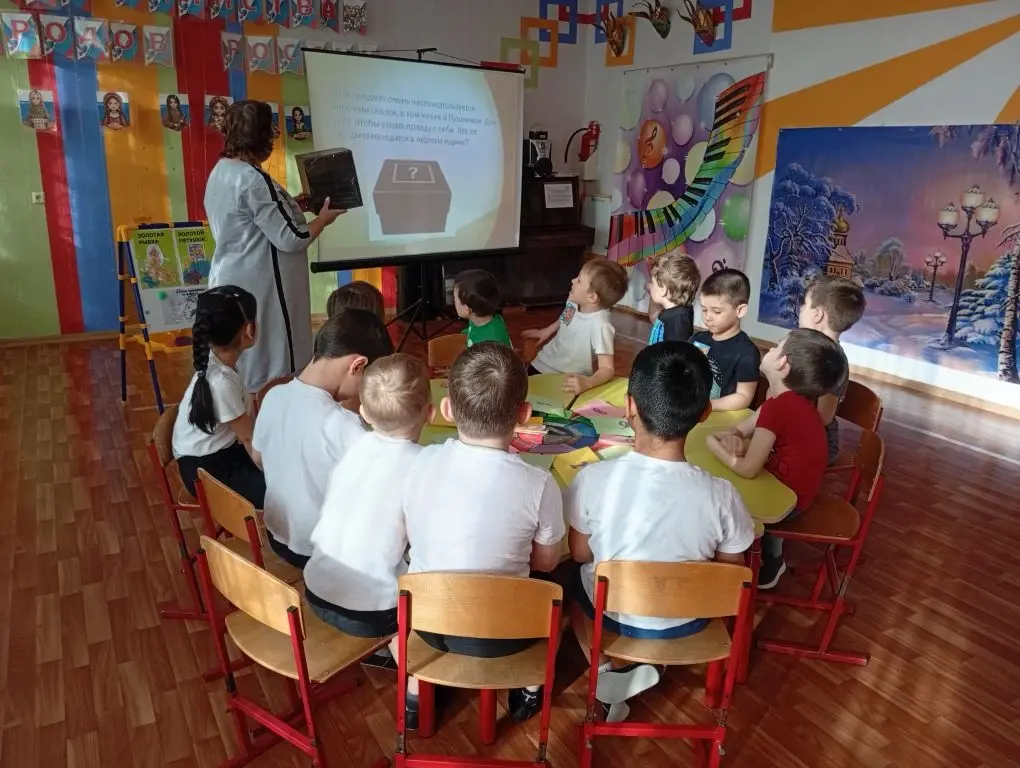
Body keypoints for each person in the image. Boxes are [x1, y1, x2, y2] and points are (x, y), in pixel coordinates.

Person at [567, 341, 754, 721]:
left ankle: (606, 670)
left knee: (572, 584)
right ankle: (647, 665)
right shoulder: (722, 494)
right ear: (704, 412)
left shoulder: (592, 479)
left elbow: (581, 553)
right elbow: (731, 571)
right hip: (690, 616)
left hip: (614, 610)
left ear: (629, 406)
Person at [403, 343, 565, 726]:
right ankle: (529, 688)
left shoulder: (419, 460)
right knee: (558, 592)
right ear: (524, 415)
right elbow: (545, 563)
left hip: (426, 623)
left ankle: (414, 696)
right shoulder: (540, 484)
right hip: (507, 633)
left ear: (447, 409)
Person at [205, 100, 344, 394]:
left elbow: (256, 220)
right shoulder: (252, 179)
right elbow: (292, 238)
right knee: (272, 364)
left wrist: (294, 204)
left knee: (246, 359)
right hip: (265, 288)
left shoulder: (222, 171)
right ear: (261, 136)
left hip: (234, 278)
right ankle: (271, 407)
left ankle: (248, 406)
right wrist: (322, 220)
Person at [303, 354, 432, 662]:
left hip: (316, 589)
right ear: (430, 414)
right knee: (433, 583)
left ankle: (384, 650)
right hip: (370, 611)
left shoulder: (353, 446)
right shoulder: (423, 464)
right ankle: (411, 680)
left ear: (363, 411)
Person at [252, 308, 393, 568]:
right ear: (357, 365)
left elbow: (258, 458)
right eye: (366, 383)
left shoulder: (273, 397)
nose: (361, 393)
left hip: (277, 534)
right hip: (324, 554)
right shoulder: (344, 425)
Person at [706, 328, 846, 588]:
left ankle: (734, 569)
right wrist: (734, 437)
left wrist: (714, 444)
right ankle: (764, 554)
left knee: (718, 501)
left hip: (786, 503)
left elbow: (748, 468)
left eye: (776, 346)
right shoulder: (786, 400)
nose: (769, 350)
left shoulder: (781, 406)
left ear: (783, 363)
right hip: (782, 488)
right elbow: (740, 430)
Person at [172, 286, 264, 507]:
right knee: (284, 496)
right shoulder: (221, 381)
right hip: (205, 471)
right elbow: (248, 440)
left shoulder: (216, 362)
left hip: (217, 453)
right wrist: (275, 476)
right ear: (250, 330)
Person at [524, 259, 628, 395]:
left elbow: (607, 369)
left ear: (592, 297)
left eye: (579, 280)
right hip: (541, 364)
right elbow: (564, 320)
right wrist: (545, 331)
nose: (572, 280)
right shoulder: (574, 303)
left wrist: (588, 383)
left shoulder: (601, 326)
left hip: (568, 381)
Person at [797, 275, 866, 463]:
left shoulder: (834, 362)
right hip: (792, 431)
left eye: (805, 304)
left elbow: (823, 417)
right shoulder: (802, 348)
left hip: (817, 443)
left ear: (817, 315)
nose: (801, 308)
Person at [691, 269, 760, 411]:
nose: (708, 317)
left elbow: (744, 396)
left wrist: (708, 406)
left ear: (740, 311)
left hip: (721, 416)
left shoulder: (747, 352)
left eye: (716, 311)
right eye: (704, 309)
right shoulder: (697, 339)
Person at [647, 251, 700, 344]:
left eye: (653, 283)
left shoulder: (678, 319)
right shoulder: (675, 313)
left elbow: (675, 349)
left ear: (663, 290)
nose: (650, 286)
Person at [453, 269, 512, 348]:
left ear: (467, 309)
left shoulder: (487, 345)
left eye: (454, 299)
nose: (454, 302)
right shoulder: (490, 319)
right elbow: (472, 329)